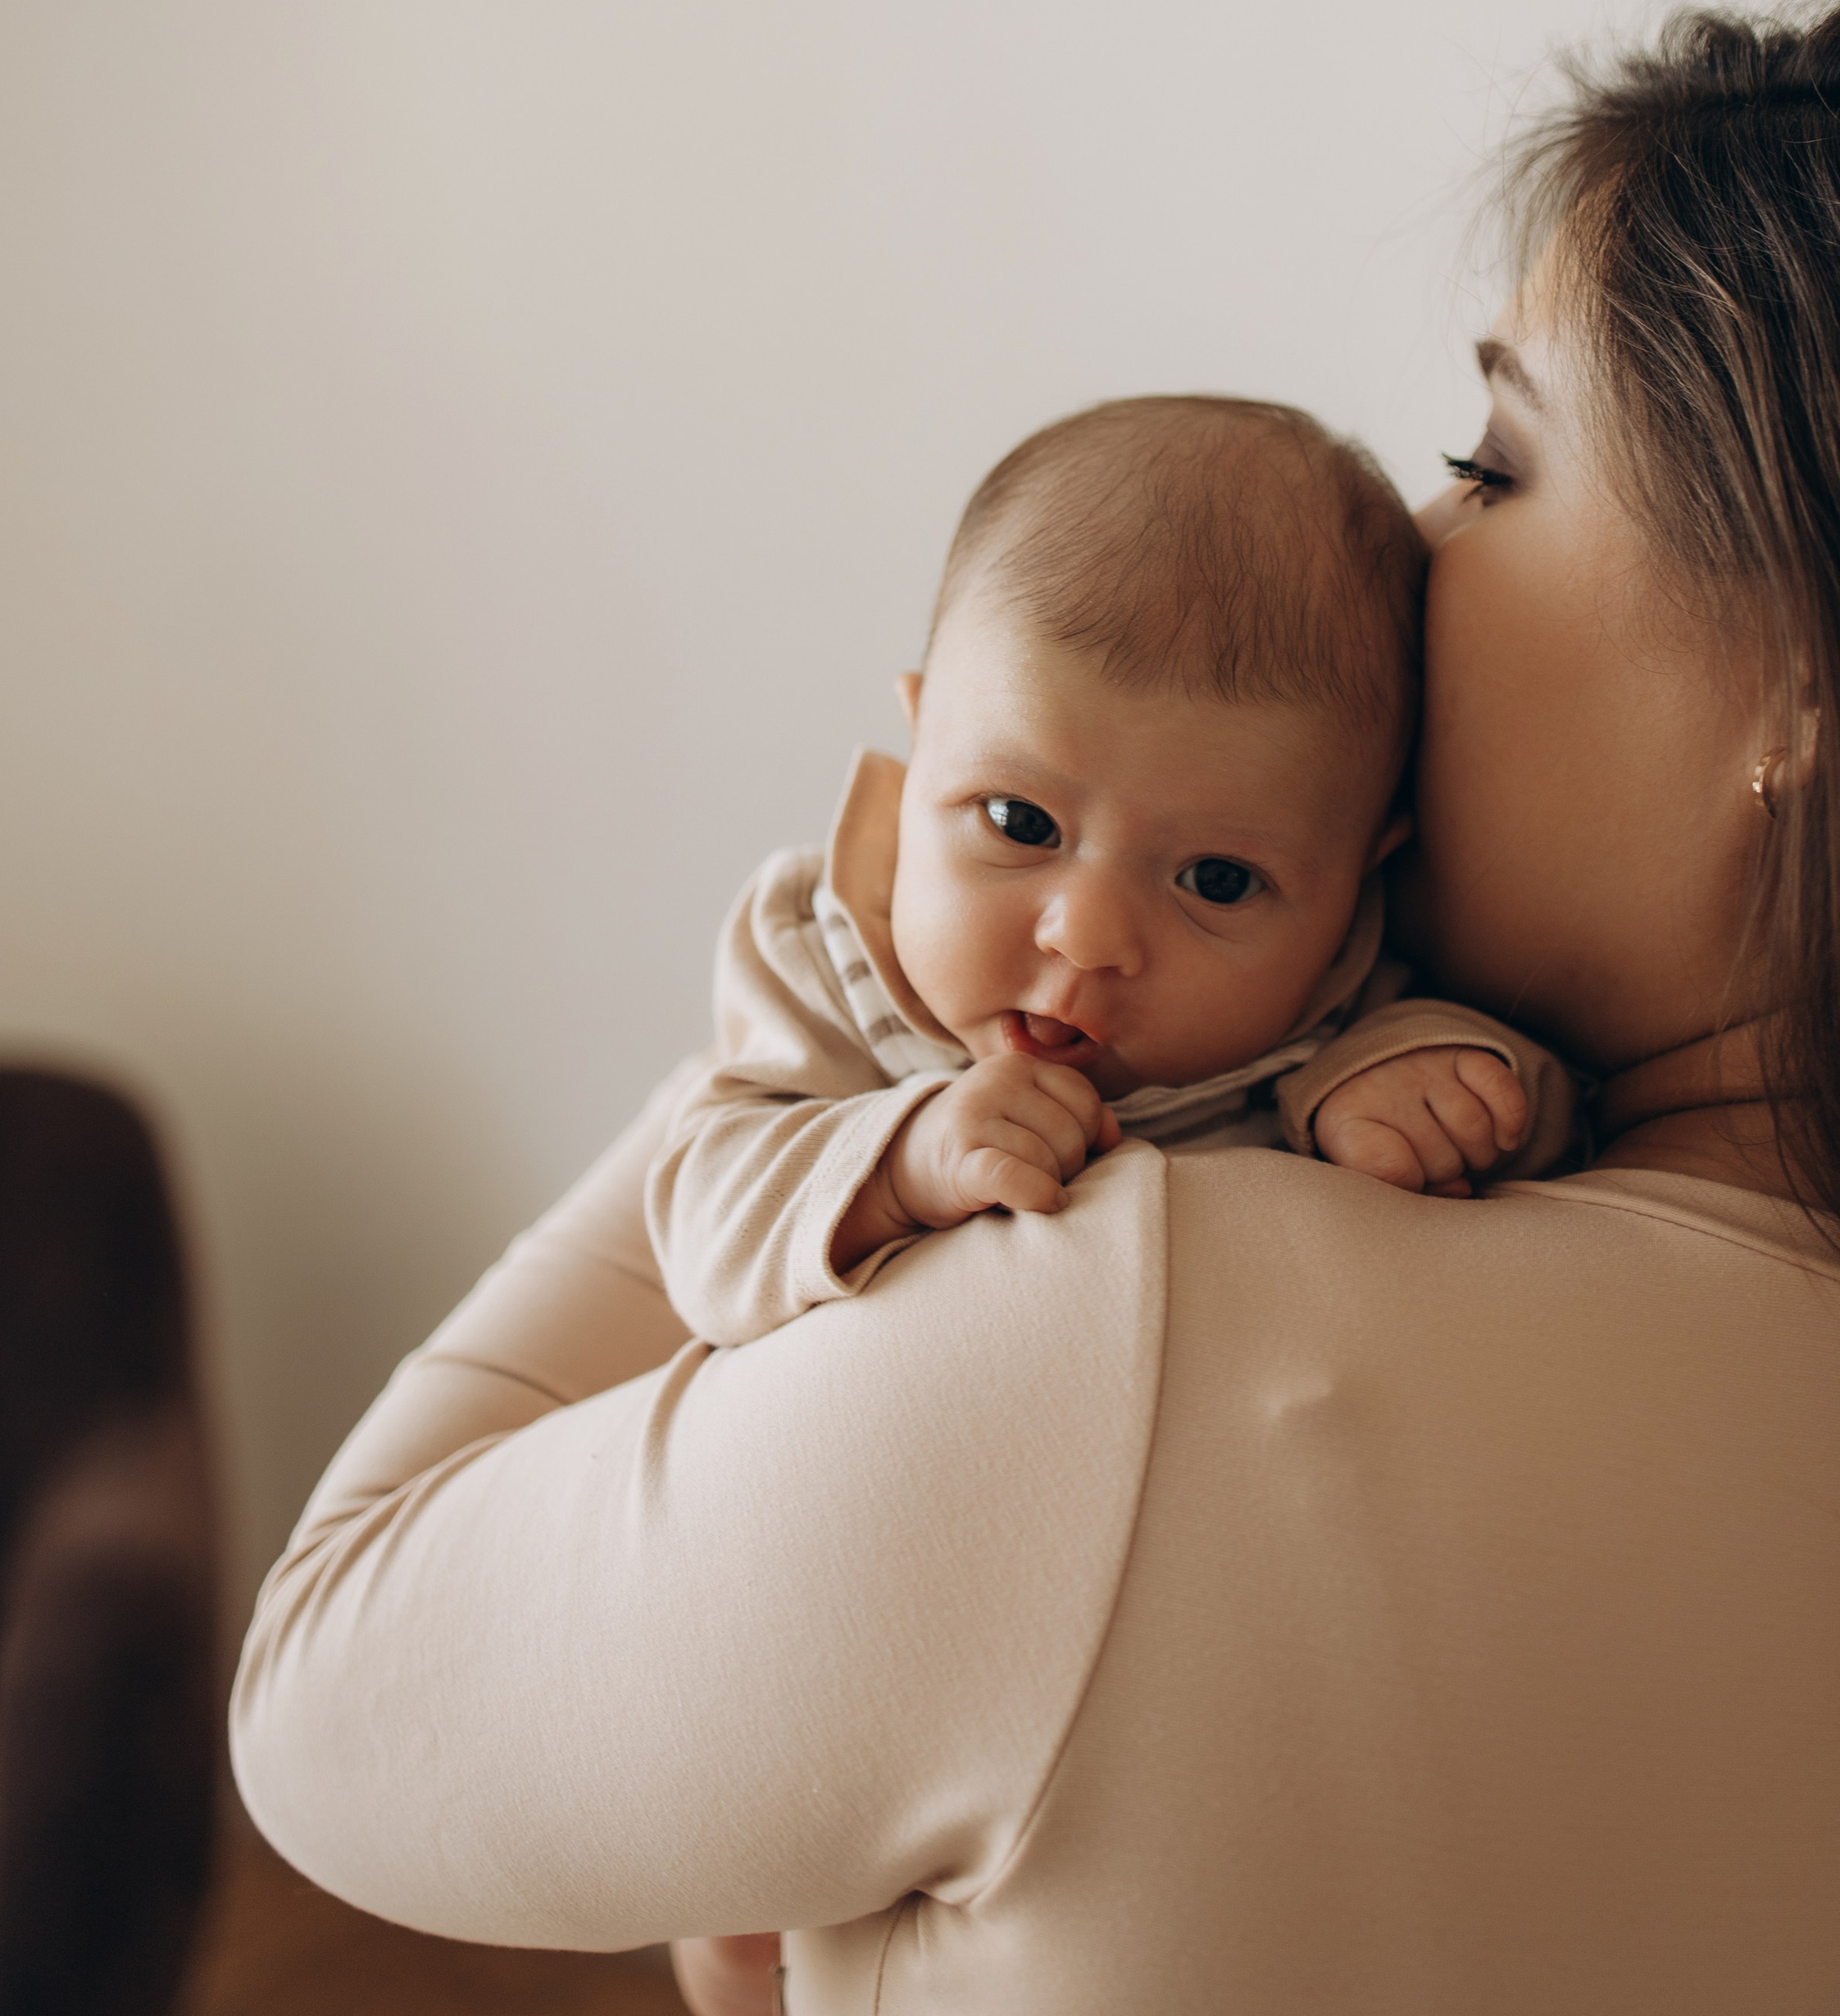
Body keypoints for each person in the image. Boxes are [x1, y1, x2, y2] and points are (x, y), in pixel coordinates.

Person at [233, 0, 1840, 2016]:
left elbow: (331, 1697)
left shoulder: (1133, 1335)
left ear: (1807, 683)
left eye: (1495, 462)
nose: (1411, 542)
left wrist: (848, 977)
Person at [644, 393, 1574, 1359]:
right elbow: (701, 1229)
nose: (1084, 935)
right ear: (921, 745)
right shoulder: (823, 954)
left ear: (1355, 885)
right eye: (1020, 822)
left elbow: (1553, 1120)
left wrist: (1418, 1082)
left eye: (1216, 880)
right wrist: (899, 1164)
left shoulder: (1334, 1000)